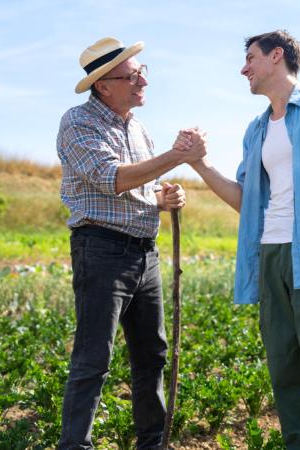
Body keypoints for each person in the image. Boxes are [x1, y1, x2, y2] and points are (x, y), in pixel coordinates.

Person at [188, 30, 300, 449]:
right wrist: (200, 164)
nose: (243, 68)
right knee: (286, 377)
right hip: (271, 257)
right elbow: (246, 201)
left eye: (250, 57)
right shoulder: (256, 130)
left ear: (276, 56)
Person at [56, 37, 205, 449]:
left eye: (142, 71)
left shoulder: (138, 129)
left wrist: (165, 199)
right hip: (101, 250)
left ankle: (152, 443)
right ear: (103, 85)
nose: (143, 80)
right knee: (93, 359)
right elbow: (114, 178)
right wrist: (179, 155)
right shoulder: (79, 123)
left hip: (144, 253)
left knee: (152, 354)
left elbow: (141, 190)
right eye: (133, 74)